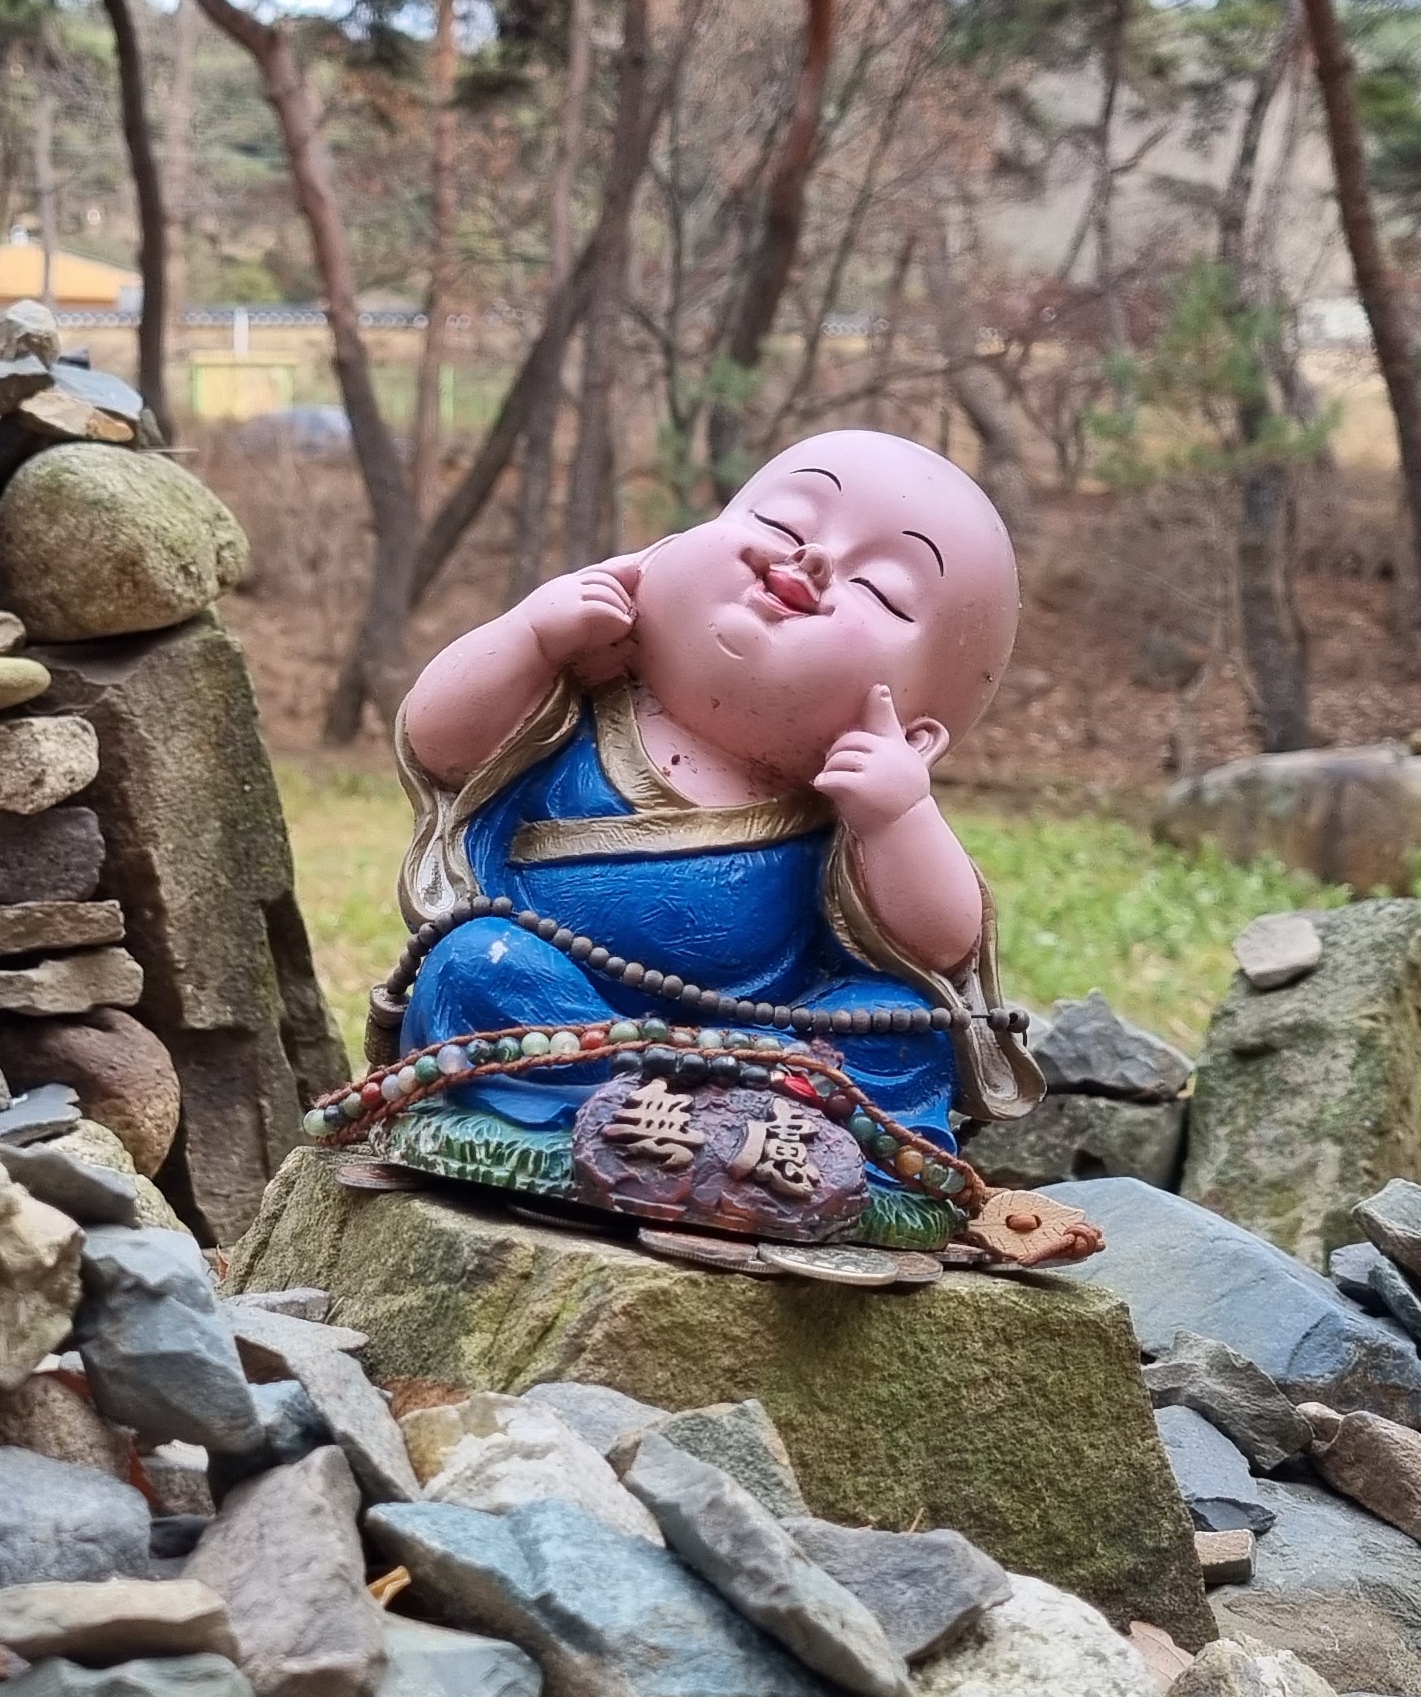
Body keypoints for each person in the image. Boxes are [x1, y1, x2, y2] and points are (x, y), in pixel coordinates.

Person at [382, 428, 1039, 1166]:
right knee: (476, 963)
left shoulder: (849, 805)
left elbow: (942, 944)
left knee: (905, 1026)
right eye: (783, 522)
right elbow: (438, 741)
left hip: (762, 1038)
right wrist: (529, 636)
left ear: (915, 736)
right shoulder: (571, 705)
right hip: (556, 1009)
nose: (812, 559)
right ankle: (634, 1117)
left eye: (881, 591)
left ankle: (713, 1121)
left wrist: (900, 817)